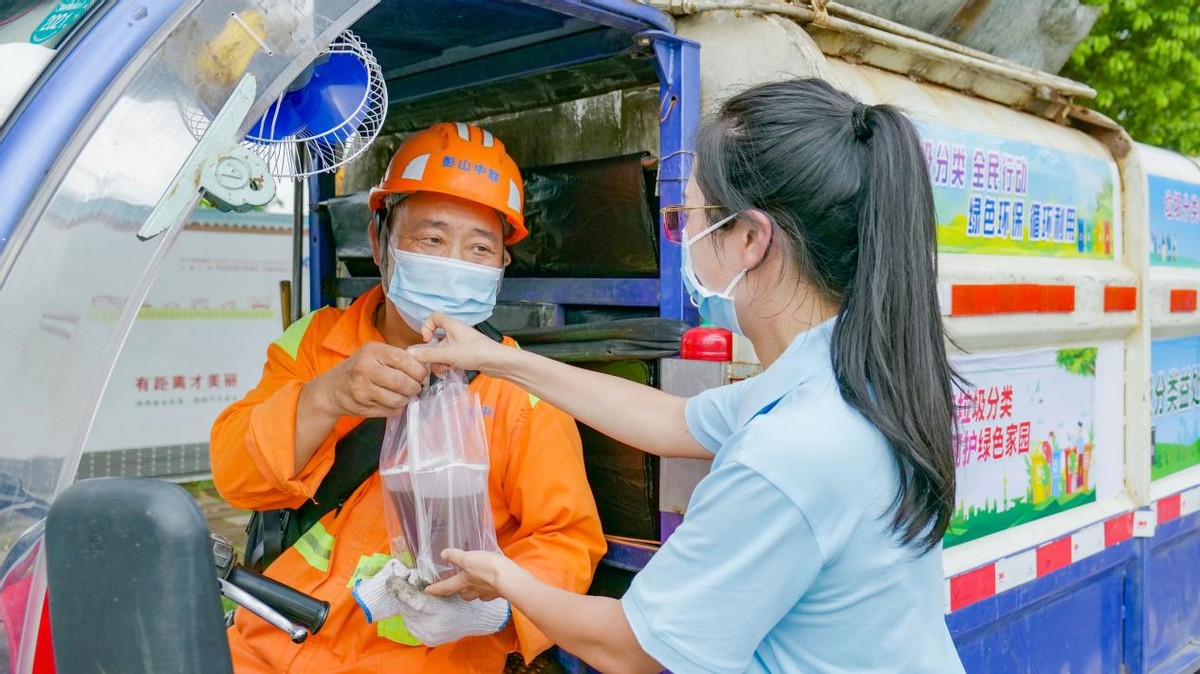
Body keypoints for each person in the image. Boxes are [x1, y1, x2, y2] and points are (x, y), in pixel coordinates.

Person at [393, 79, 967, 673]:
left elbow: (631, 649)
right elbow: (671, 421)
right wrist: (494, 357)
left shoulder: (790, 453)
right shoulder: (845, 378)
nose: (682, 237)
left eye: (684, 217)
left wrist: (503, 578)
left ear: (750, 238)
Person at [210, 122, 606, 673]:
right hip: (264, 646)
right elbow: (235, 476)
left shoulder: (523, 391)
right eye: (431, 239)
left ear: (500, 267)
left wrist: (497, 606)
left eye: (480, 247)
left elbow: (566, 539)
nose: (454, 262)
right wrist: (326, 397)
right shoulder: (316, 343)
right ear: (380, 242)